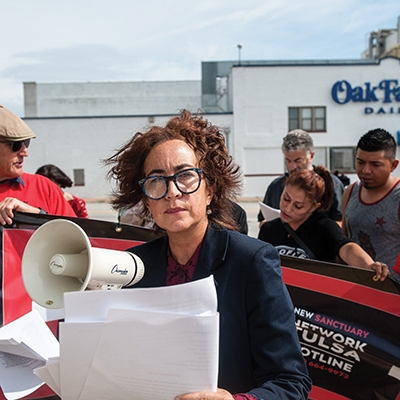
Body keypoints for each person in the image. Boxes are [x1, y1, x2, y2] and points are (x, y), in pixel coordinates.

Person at [106, 110, 312, 399]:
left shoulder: (252, 261)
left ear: (211, 190)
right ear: (145, 200)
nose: (172, 192)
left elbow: (291, 381)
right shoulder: (132, 266)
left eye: (186, 176)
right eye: (156, 180)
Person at [258, 166, 390, 281]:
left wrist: (369, 266)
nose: (287, 208)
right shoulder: (268, 229)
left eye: (298, 206)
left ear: (314, 206)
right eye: (286, 199)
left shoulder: (324, 228)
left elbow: (347, 248)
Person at [0, 104, 76, 225]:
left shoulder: (44, 187)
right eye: (16, 145)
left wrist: (35, 215)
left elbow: (78, 236)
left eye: (26, 143)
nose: (25, 153)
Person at [342, 128, 400, 283]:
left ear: (393, 165)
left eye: (375, 164)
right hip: (354, 291)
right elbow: (344, 242)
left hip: (392, 297)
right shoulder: (350, 192)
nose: (366, 170)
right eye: (360, 162)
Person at [258, 129, 344, 227]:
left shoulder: (331, 184)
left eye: (298, 160)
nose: (292, 166)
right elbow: (262, 222)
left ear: (311, 156)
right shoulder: (275, 186)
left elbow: (340, 223)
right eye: (288, 161)